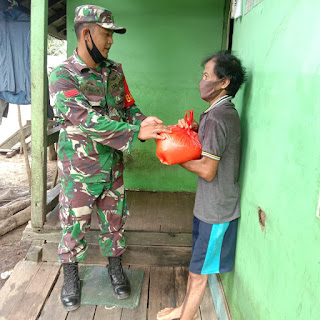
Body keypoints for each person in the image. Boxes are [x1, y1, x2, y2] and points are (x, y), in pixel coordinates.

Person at [49, 5, 171, 311]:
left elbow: (128, 106)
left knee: (115, 221)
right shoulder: (63, 76)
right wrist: (135, 133)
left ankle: (115, 270)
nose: (111, 41)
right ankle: (71, 277)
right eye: (106, 34)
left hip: (112, 167)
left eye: (113, 35)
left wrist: (143, 121)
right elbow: (87, 121)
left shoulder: (115, 71)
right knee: (74, 225)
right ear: (87, 33)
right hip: (79, 169)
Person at [157, 50, 246, 320]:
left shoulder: (220, 117)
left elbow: (208, 170)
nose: (202, 80)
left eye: (207, 76)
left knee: (199, 272)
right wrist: (194, 131)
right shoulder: (215, 113)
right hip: (207, 205)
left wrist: (176, 158)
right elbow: (212, 147)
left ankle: (185, 317)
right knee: (197, 265)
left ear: (223, 82)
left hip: (217, 211)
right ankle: (184, 310)